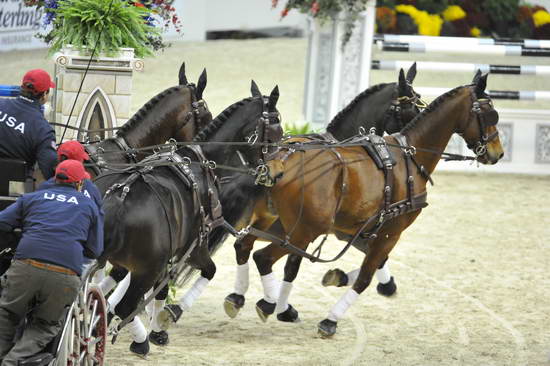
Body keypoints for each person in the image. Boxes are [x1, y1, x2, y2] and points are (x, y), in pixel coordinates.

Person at [0, 159, 103, 365]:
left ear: (55, 178)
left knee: (7, 313)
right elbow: (95, 249)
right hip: (64, 273)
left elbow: (2, 221)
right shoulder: (89, 206)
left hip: (26, 265)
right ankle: (12, 361)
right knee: (46, 325)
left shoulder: (32, 197)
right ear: (80, 184)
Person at [0, 69, 57, 180]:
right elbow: (50, 170)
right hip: (15, 190)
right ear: (44, 94)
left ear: (22, 87)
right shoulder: (43, 130)